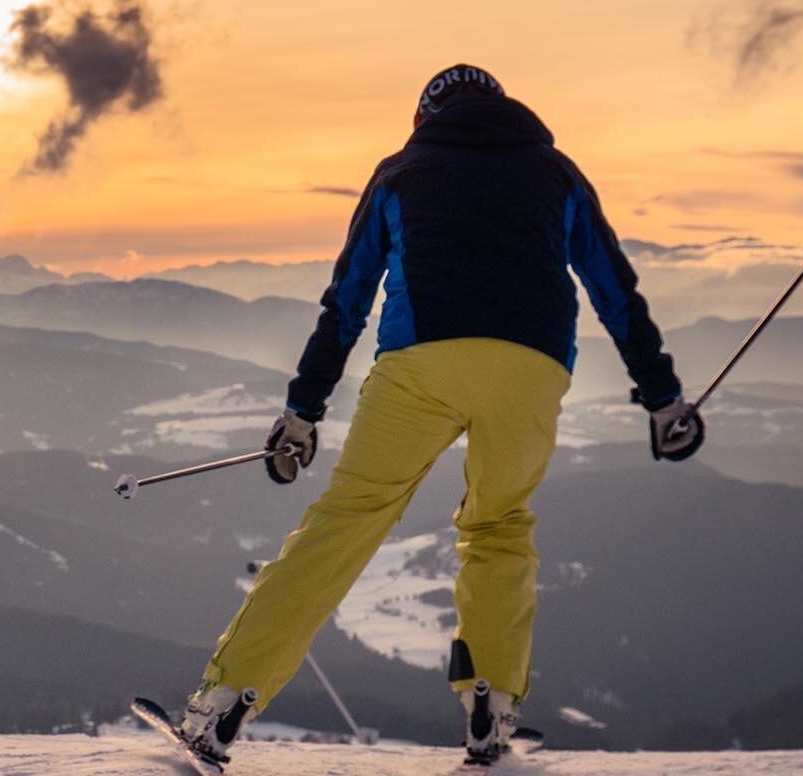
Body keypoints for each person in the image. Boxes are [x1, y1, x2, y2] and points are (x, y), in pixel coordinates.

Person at [173, 64, 703, 767]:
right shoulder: (557, 172)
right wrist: (662, 397)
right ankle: (492, 708)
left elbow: (347, 302)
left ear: (424, 118)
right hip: (531, 368)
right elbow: (615, 290)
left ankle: (223, 703)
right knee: (499, 525)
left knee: (346, 522)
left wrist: (302, 411)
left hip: (419, 366)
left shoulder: (401, 171)